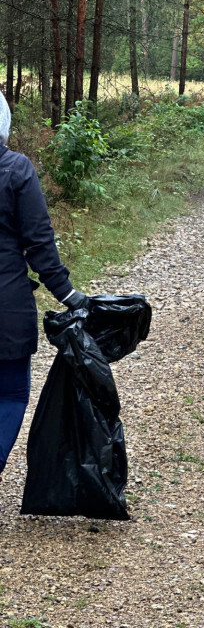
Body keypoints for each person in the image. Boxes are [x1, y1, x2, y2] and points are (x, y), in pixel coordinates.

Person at [0, 90, 88, 481]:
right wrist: (67, 294)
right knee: (10, 393)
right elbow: (38, 241)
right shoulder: (16, 169)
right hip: (7, 307)